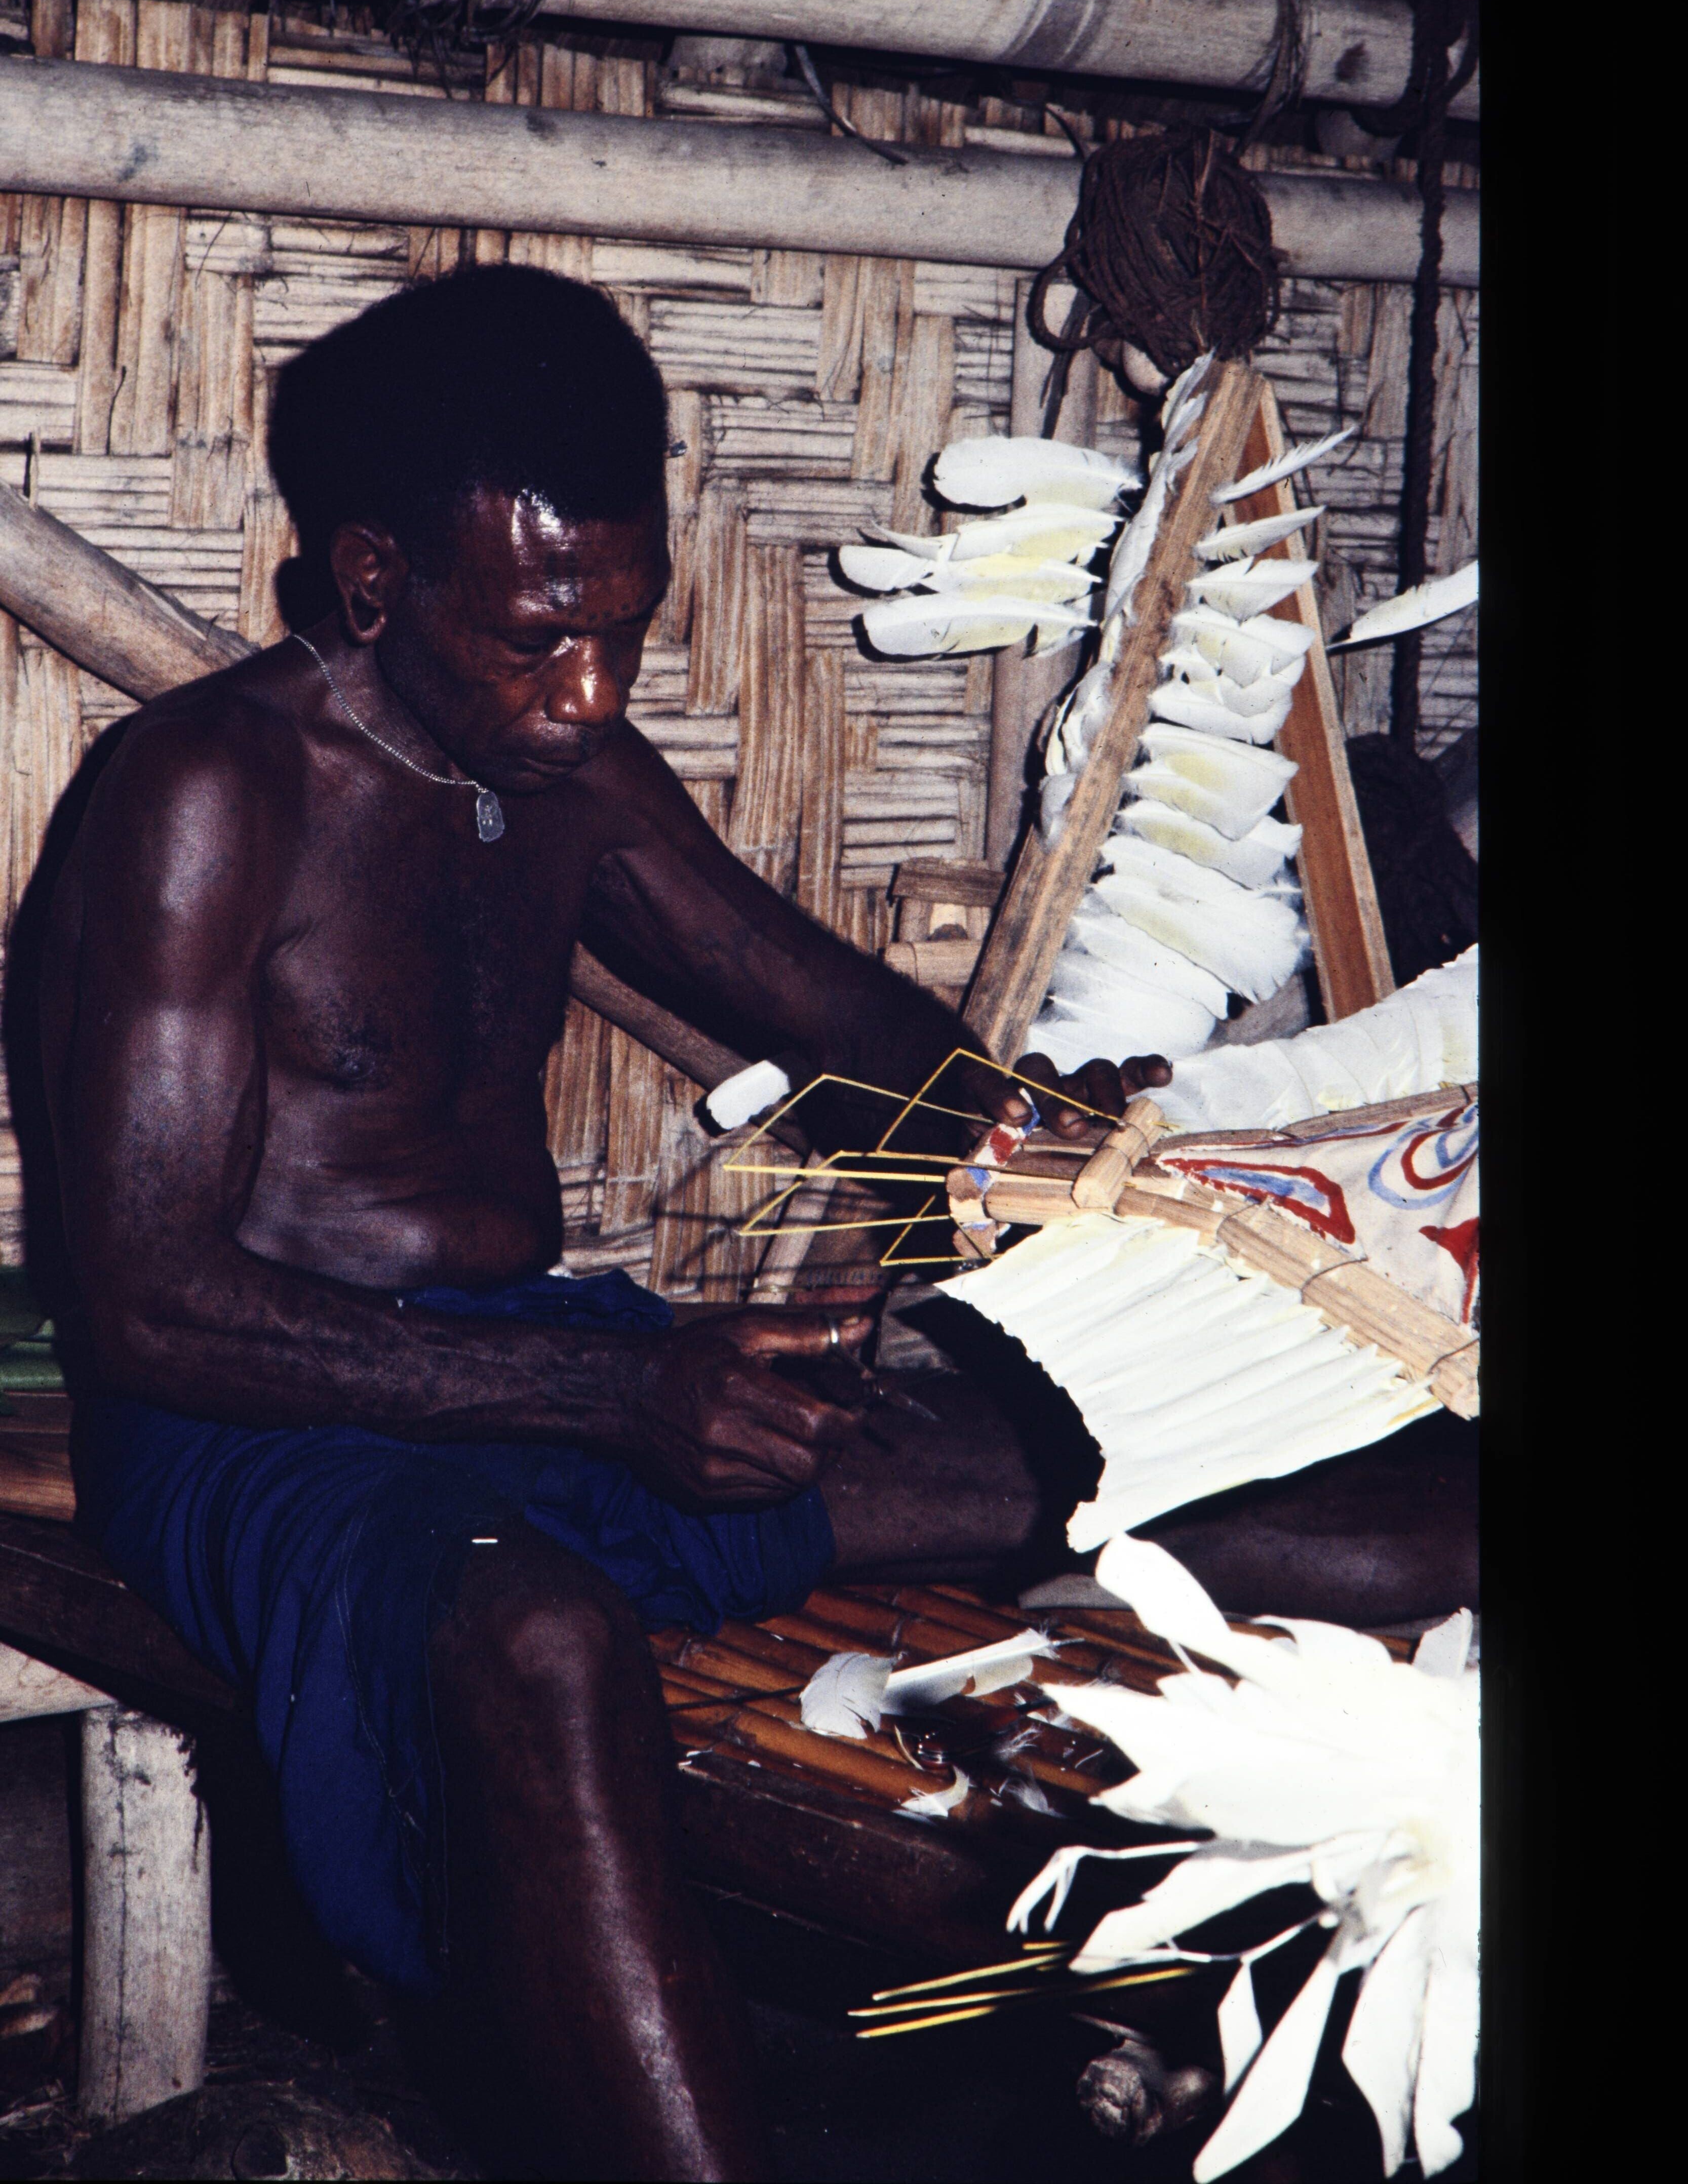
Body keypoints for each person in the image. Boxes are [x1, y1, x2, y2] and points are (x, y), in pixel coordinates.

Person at [38, 267, 1472, 2181]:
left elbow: (830, 1015)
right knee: (544, 1641)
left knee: (1170, 1461)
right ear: (373, 579)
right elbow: (149, 1311)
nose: (593, 694)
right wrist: (617, 1406)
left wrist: (1057, 1145)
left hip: (542, 1370)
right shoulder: (203, 795)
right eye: (540, 638)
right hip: (262, 1424)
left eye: (626, 628)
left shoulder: (563, 769)